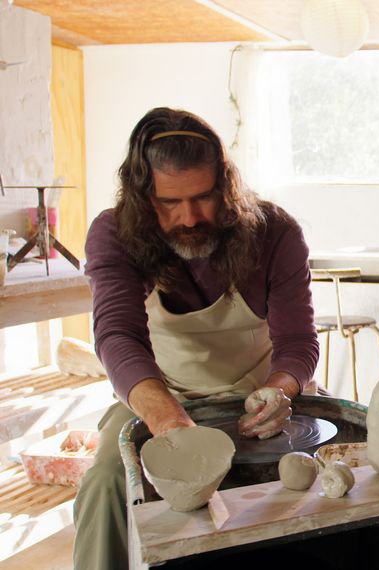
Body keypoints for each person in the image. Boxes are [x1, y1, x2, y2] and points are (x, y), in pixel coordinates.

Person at [73, 107, 319, 569]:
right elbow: (117, 336)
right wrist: (167, 420)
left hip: (257, 396)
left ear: (225, 184)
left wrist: (282, 390)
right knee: (108, 480)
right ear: (142, 196)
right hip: (162, 396)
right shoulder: (115, 233)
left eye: (204, 197)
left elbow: (299, 342)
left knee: (315, 482)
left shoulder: (273, 232)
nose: (189, 218)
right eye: (168, 203)